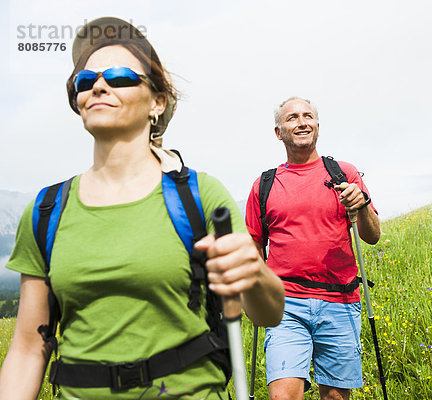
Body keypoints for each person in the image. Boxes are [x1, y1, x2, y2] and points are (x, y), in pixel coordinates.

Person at [0, 17, 284, 400]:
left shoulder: (200, 196)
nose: (98, 85)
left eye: (118, 76)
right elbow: (28, 349)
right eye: (85, 81)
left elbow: (268, 314)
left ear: (157, 101)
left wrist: (253, 273)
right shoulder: (47, 210)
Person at [245, 97, 380, 400]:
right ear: (279, 132)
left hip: (340, 300)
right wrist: (254, 291)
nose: (302, 122)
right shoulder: (264, 184)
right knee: (283, 396)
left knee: (335, 397)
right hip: (285, 303)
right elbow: (255, 244)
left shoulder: (343, 174)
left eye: (308, 116)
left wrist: (362, 206)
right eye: (292, 118)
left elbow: (371, 236)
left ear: (318, 125)